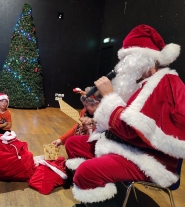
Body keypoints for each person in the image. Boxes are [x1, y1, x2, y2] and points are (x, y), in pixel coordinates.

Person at [70, 24, 185, 207]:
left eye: (127, 59)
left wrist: (108, 97)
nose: (122, 66)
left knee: (86, 171)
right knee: (74, 144)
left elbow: (133, 131)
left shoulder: (166, 84)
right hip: (128, 146)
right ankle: (103, 195)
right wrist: (94, 117)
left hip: (150, 158)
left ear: (144, 59)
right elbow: (121, 120)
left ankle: (100, 194)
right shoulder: (141, 83)